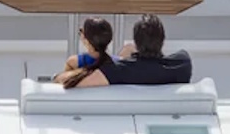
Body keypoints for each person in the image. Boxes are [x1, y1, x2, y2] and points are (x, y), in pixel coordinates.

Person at [62, 14, 192, 89]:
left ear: (136, 41)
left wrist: (57, 77)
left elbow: (71, 81)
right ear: (162, 40)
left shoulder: (119, 70)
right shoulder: (182, 64)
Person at [55, 17, 115, 88]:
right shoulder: (117, 63)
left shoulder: (74, 62)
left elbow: (64, 85)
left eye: (81, 31)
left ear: (86, 40)